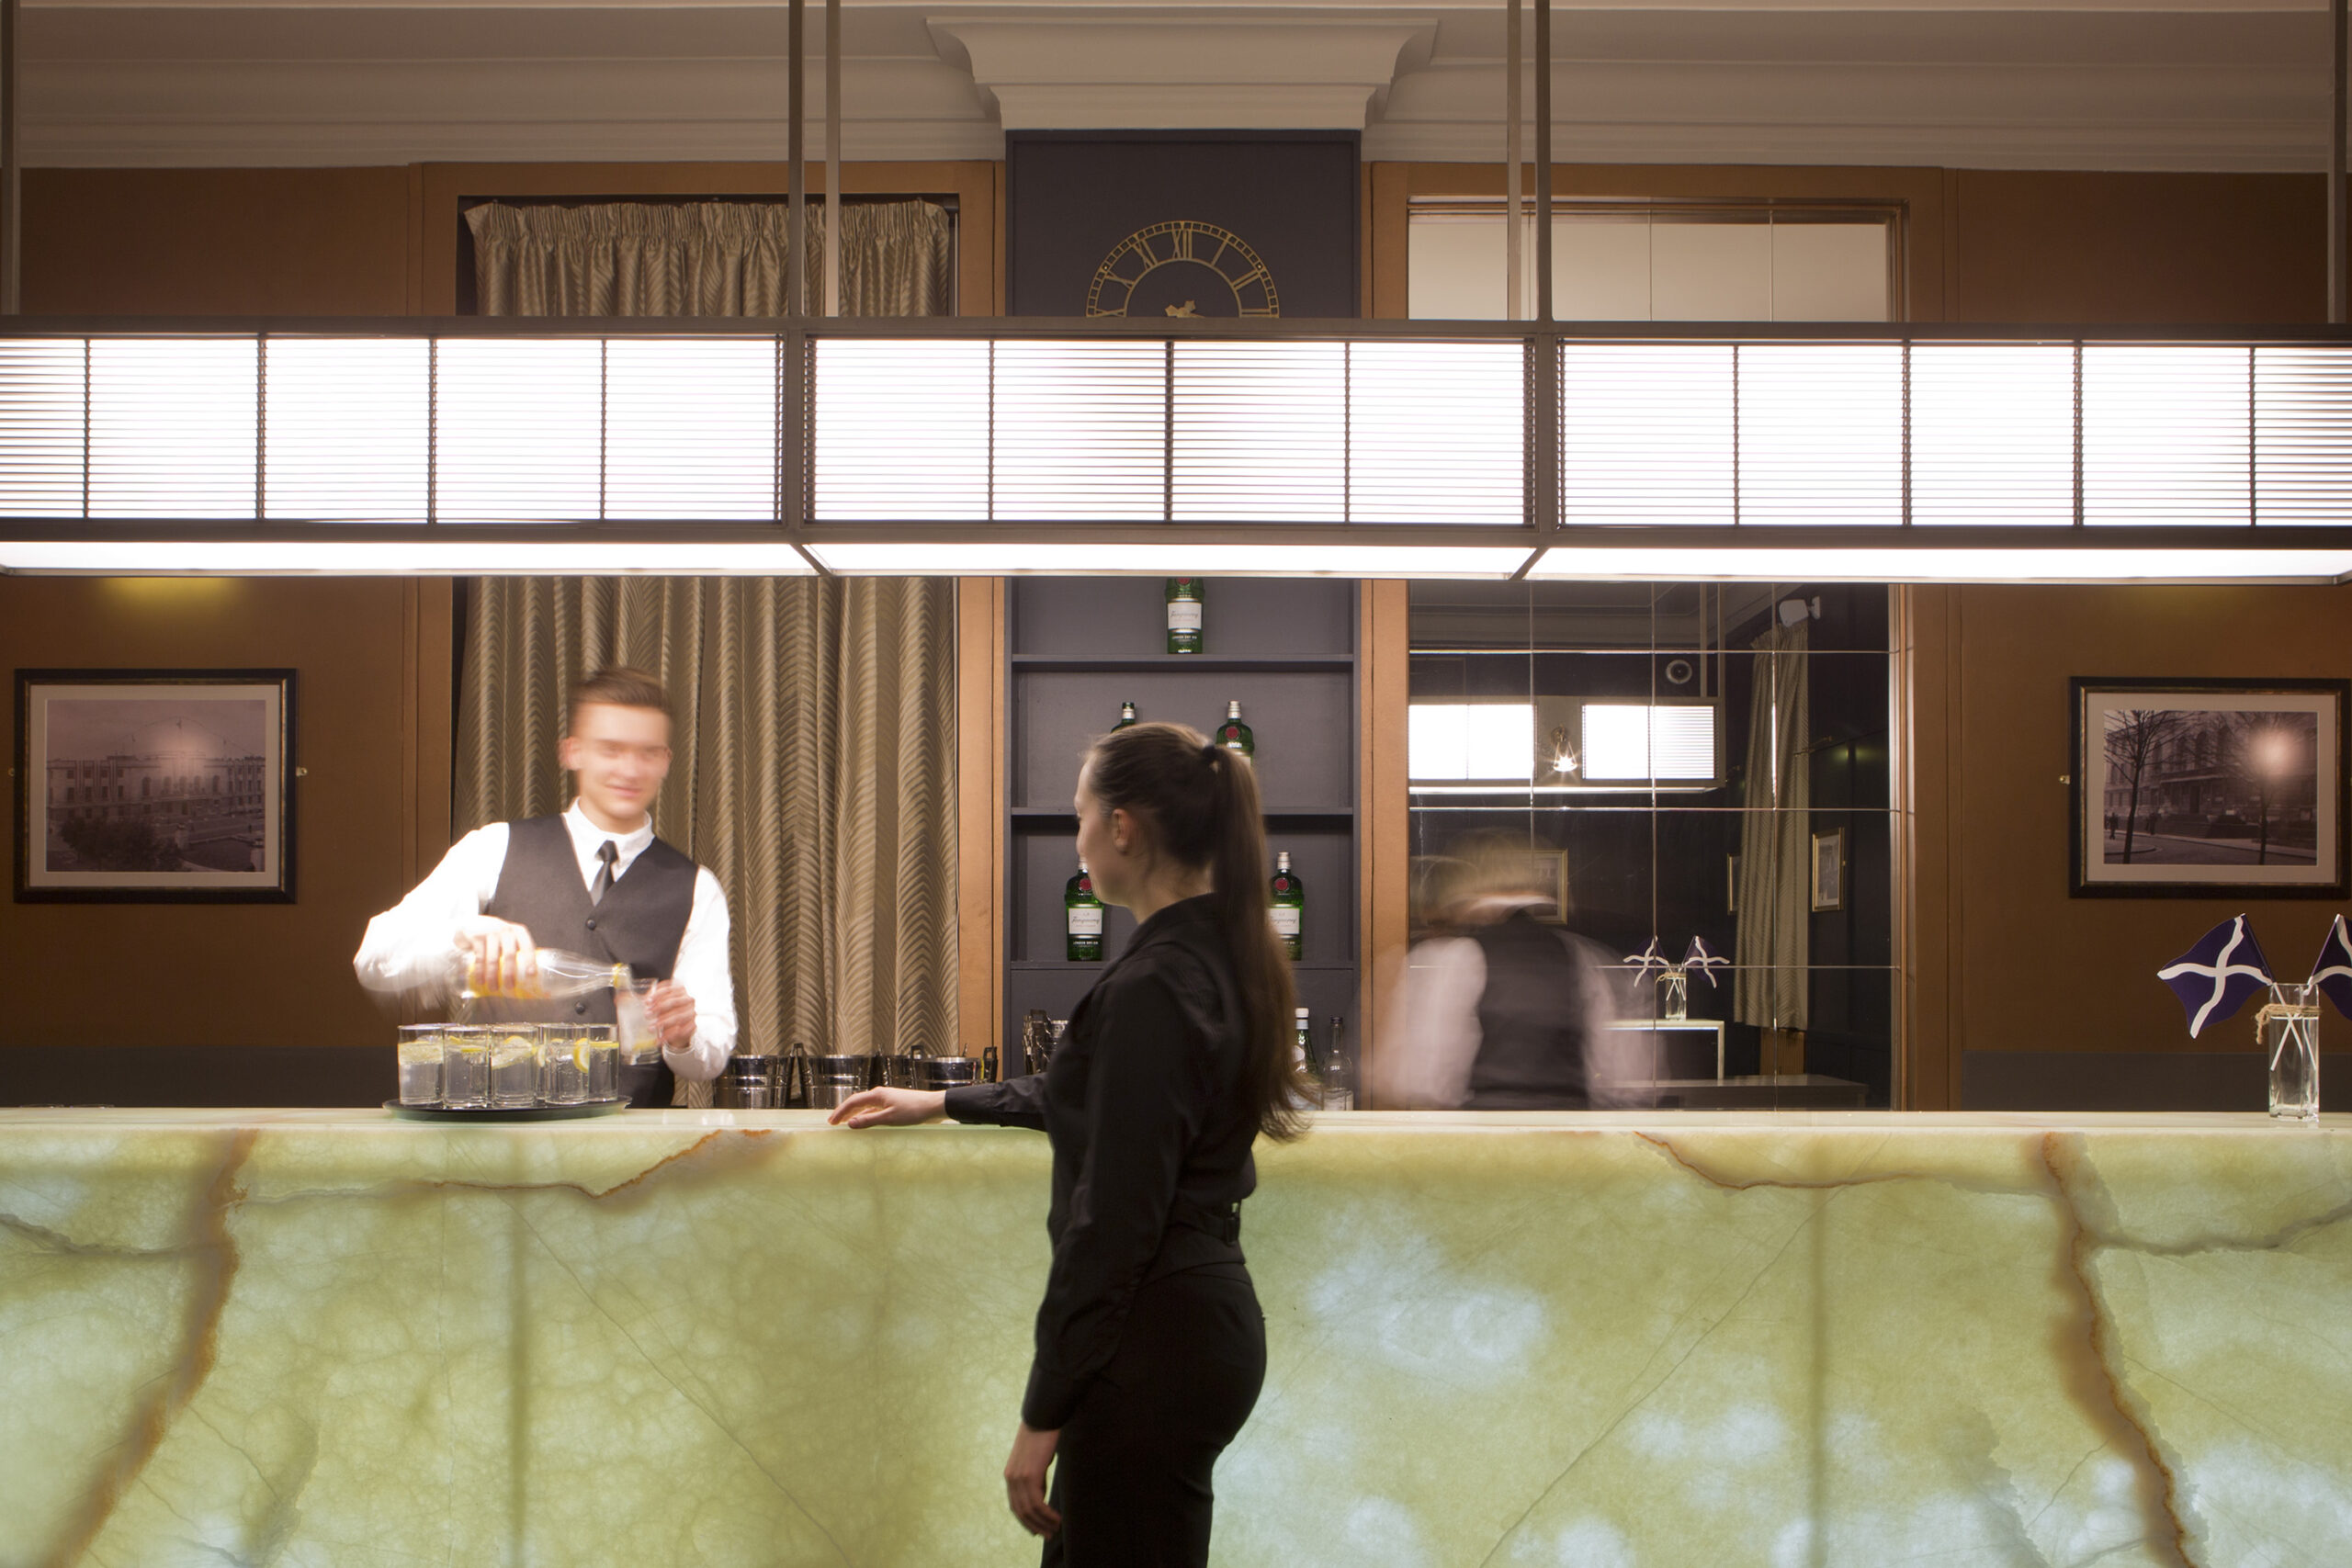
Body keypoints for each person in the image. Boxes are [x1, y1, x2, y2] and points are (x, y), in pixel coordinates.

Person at [829, 721, 1310, 1566]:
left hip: (1153, 1343)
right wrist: (942, 1100)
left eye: (1080, 813)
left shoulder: (1156, 980)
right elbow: (1100, 1099)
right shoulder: (1219, 953)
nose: (1078, 835)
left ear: (1122, 826)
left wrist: (1041, 1414)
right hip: (1195, 1326)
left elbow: (1114, 1224)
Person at [354, 666, 736, 1106]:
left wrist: (685, 1035)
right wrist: (460, 936)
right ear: (572, 752)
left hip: (633, 1147)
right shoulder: (494, 847)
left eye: (647, 752)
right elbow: (373, 959)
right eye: (611, 749)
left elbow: (709, 1059)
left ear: (667, 760)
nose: (630, 769)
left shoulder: (696, 887)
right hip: (499, 1142)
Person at [1374, 835, 1626, 1111]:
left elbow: (1422, 1079)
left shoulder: (1454, 958)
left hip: (1486, 1137)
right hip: (1571, 1134)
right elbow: (1621, 1071)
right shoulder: (1582, 955)